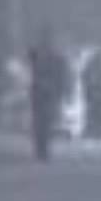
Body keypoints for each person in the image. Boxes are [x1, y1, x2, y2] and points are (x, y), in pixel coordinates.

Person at [27, 28, 70, 162]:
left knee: (44, 120)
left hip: (44, 91)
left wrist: (61, 89)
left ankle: (42, 148)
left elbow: (61, 73)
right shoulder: (43, 54)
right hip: (41, 91)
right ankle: (41, 148)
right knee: (42, 120)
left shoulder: (52, 55)